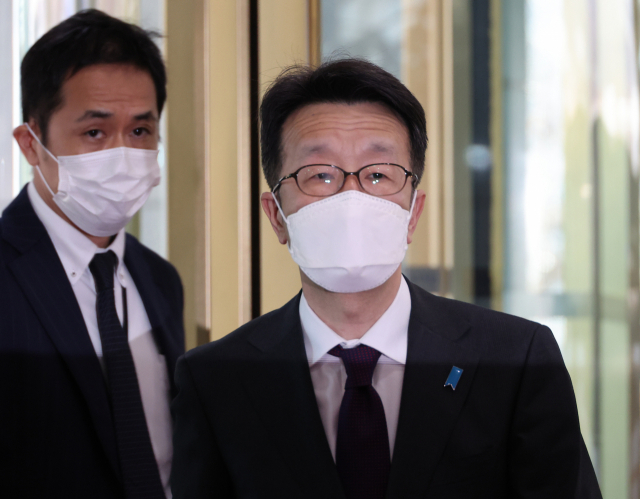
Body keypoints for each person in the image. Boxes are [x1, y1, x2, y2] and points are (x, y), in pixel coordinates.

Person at [170, 59, 601, 498]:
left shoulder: (515, 360)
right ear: (276, 215)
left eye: (378, 175)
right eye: (320, 175)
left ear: (413, 213)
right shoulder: (214, 381)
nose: (351, 197)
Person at [0, 10, 184, 499]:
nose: (122, 154)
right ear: (31, 144)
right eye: (95, 132)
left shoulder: (161, 279)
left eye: (140, 131)